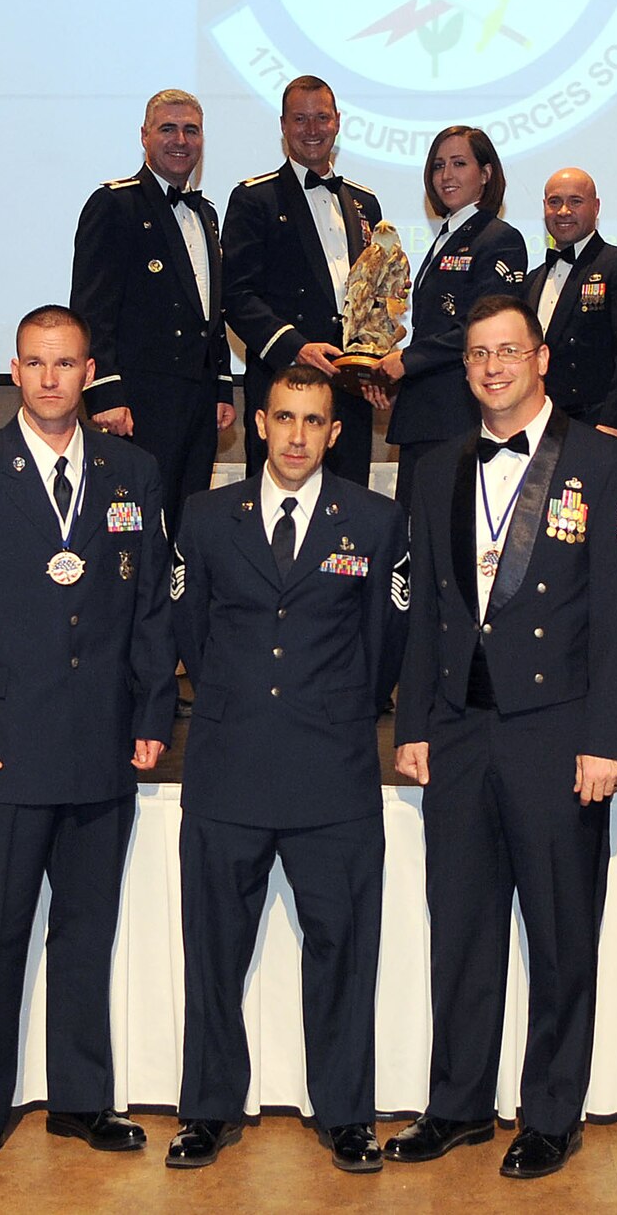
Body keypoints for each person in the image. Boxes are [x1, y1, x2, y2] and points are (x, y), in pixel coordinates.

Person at [387, 294, 617, 1180]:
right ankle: (458, 1104)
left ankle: (551, 1112)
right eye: (476, 355)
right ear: (463, 369)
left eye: (509, 351)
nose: (493, 367)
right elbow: (428, 604)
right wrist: (416, 724)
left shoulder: (604, 463)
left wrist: (610, 736)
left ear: (541, 357)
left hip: (559, 733)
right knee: (458, 926)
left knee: (559, 928)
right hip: (461, 731)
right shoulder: (436, 467)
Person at [0, 304, 175, 1179]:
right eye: (36, 363)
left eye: (67, 364)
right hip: (0, 751)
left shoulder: (133, 472)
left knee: (86, 932)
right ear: (14, 372)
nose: (53, 378)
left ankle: (81, 1100)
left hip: (100, 748)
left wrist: (149, 718)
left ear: (88, 370)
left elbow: (149, 612)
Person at [166, 364, 409, 1174]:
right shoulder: (205, 518)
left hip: (332, 770)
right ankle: (206, 1109)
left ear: (337, 433)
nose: (299, 435)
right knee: (212, 950)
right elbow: (190, 634)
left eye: (315, 420)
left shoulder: (375, 521)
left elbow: (383, 648)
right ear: (257, 425)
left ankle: (344, 1113)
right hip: (228, 766)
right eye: (285, 418)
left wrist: (334, 707)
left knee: (343, 949)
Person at [72, 89, 234, 535]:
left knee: (189, 521)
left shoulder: (206, 214)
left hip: (198, 403)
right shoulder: (115, 204)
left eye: (191, 130)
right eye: (168, 128)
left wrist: (221, 386)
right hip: (139, 403)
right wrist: (104, 392)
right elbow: (91, 308)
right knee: (134, 526)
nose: (181, 139)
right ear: (144, 137)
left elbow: (210, 313)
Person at [222, 75, 384, 486]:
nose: (312, 130)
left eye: (321, 118)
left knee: (348, 507)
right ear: (282, 125)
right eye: (300, 119)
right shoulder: (253, 198)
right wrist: (295, 347)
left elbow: (374, 296)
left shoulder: (365, 201)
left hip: (349, 390)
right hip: (282, 382)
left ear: (337, 122)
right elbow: (236, 294)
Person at [373, 126, 528, 501]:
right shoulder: (447, 236)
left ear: (486, 174)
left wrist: (408, 361)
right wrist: (395, 374)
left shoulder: (497, 238)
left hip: (459, 414)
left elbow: (484, 328)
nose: (446, 175)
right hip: (425, 414)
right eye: (439, 165)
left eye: (459, 163)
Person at [518, 167, 617, 436]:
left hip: (598, 425)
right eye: (554, 202)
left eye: (575, 201)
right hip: (541, 426)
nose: (563, 211)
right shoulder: (533, 279)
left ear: (596, 206)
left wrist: (615, 422)